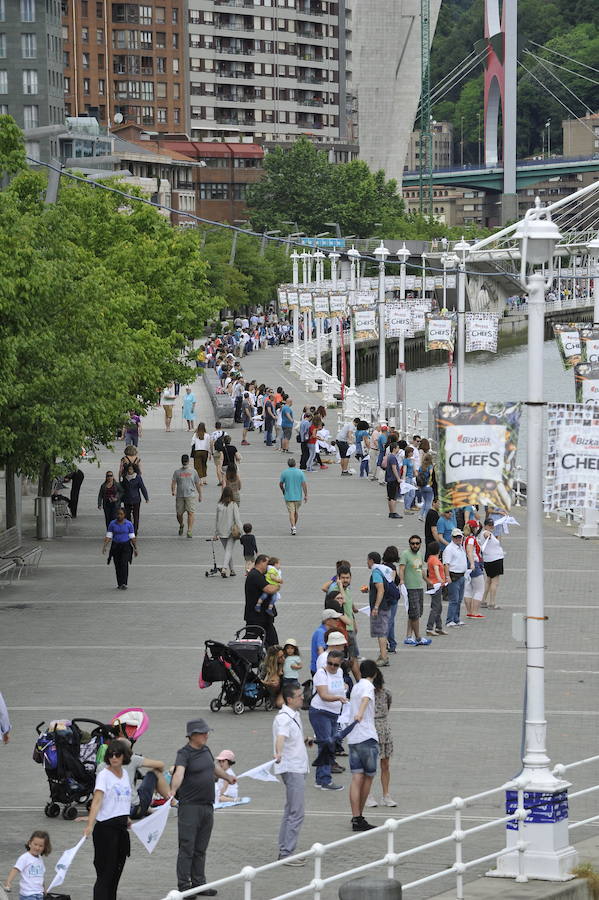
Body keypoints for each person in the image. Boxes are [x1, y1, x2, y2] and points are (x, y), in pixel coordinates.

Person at [170, 719, 236, 896]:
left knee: (200, 848)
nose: (207, 735)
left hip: (207, 806)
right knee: (187, 847)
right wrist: (172, 791)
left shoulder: (206, 750)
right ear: (193, 736)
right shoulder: (184, 753)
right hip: (190, 807)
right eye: (203, 733)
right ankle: (184, 886)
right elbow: (179, 773)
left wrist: (228, 777)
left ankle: (199, 883)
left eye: (207, 732)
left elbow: (213, 769)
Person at [84, 739, 133, 900]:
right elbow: (97, 801)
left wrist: (126, 817)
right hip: (106, 830)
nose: (114, 758)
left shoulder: (125, 774)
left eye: (117, 754)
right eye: (111, 755)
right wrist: (90, 824)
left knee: (116, 873)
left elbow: (122, 799)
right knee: (105, 873)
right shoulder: (104, 775)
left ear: (124, 756)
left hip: (121, 828)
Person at [273, 681, 310, 865]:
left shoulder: (294, 715)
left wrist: (304, 740)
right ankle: (286, 853)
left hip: (297, 766)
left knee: (290, 811)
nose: (302, 697)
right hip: (292, 768)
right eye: (299, 695)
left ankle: (285, 848)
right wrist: (278, 752)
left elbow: (289, 737)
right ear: (289, 699)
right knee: (297, 812)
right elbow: (281, 737)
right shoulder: (285, 718)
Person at [96, 739, 170, 820]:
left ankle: (149, 809)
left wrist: (93, 816)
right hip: (134, 810)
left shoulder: (101, 767)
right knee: (154, 773)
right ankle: (171, 800)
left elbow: (99, 793)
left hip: (112, 812)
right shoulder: (132, 759)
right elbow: (160, 764)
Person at [347, 659, 379, 832]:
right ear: (374, 673)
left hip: (353, 738)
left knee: (356, 777)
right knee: (368, 776)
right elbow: (366, 699)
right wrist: (360, 713)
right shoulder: (367, 686)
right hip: (367, 736)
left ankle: (355, 817)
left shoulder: (356, 687)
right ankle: (359, 816)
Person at [309, 650, 348, 791]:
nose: (332, 666)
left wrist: (344, 690)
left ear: (340, 663)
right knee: (326, 744)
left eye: (335, 664)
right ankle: (325, 780)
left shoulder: (339, 672)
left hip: (334, 713)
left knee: (327, 745)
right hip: (320, 712)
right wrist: (339, 698)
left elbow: (338, 688)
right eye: (329, 663)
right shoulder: (321, 673)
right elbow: (324, 695)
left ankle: (320, 779)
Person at [365, 667, 396, 810]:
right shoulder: (366, 693)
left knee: (385, 764)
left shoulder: (386, 693)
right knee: (370, 765)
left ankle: (386, 794)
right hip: (371, 729)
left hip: (384, 729)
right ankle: (368, 795)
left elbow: (387, 708)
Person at [399, 535, 431, 646]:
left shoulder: (419, 555)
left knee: (414, 613)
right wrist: (402, 581)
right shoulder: (405, 554)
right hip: (410, 588)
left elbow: (420, 569)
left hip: (419, 587)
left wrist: (427, 581)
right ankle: (418, 637)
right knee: (415, 614)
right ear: (409, 544)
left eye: (417, 543)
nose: (415, 545)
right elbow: (401, 568)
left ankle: (409, 636)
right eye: (412, 543)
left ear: (420, 544)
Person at [244, 554, 280, 646]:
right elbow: (269, 589)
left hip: (263, 617)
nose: (269, 567)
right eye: (267, 563)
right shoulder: (255, 575)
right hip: (256, 618)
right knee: (248, 642)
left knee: (272, 643)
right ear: (261, 562)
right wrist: (277, 586)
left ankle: (272, 659)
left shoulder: (259, 575)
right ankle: (235, 656)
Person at [4, 830, 51, 898]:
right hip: (27, 895)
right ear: (30, 843)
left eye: (41, 846)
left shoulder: (40, 859)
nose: (37, 848)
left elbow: (41, 877)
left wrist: (44, 889)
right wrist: (8, 882)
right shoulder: (25, 858)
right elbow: (15, 869)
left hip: (39, 894)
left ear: (44, 847)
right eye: (35, 844)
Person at [102, 507, 137, 590]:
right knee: (117, 565)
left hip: (126, 547)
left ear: (124, 515)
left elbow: (132, 537)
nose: (119, 516)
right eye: (118, 514)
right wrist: (105, 546)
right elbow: (109, 536)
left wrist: (135, 548)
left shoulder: (129, 524)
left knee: (124, 563)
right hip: (116, 547)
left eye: (121, 514)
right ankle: (119, 583)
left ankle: (124, 583)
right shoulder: (112, 524)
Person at [365, 551, 390, 666]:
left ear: (371, 561)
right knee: (382, 631)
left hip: (380, 607)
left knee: (381, 632)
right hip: (384, 606)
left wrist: (376, 607)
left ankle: (384, 657)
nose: (367, 562)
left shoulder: (376, 572)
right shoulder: (382, 570)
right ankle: (383, 654)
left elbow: (381, 589)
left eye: (367, 560)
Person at [443, 528, 469, 627]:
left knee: (459, 599)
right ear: (452, 538)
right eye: (456, 537)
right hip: (454, 576)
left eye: (459, 537)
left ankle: (456, 619)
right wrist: (447, 576)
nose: (458, 539)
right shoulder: (449, 549)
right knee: (454, 599)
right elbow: (446, 564)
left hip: (462, 576)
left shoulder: (460, 547)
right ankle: (450, 620)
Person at [213, 486, 242, 578]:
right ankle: (224, 568)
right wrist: (241, 531)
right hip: (231, 532)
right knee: (228, 551)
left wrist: (216, 533)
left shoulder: (219, 505)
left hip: (221, 531)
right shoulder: (234, 505)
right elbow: (237, 520)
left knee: (227, 551)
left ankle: (232, 570)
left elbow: (216, 520)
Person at [172, 454, 202, 539]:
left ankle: (189, 530)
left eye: (186, 461)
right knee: (179, 514)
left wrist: (200, 494)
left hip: (190, 495)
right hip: (180, 496)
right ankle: (181, 525)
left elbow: (197, 483)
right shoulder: (177, 472)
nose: (185, 463)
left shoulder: (193, 471)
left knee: (190, 513)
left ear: (188, 461)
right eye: (183, 461)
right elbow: (173, 481)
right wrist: (173, 490)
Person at [480, 517, 505, 609]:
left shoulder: (491, 534)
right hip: (495, 560)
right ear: (485, 526)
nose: (491, 527)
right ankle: (492, 603)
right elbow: (486, 535)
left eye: (492, 525)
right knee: (495, 582)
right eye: (489, 525)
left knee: (488, 581)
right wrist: (488, 535)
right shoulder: (486, 533)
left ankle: (483, 600)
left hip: (489, 560)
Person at [279, 457, 308, 535]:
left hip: (288, 496)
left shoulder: (284, 472)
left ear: (288, 464)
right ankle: (294, 526)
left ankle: (293, 526)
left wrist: (283, 490)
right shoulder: (300, 472)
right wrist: (306, 495)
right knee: (296, 512)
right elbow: (304, 484)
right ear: (295, 464)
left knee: (291, 512)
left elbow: (281, 484)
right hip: (298, 496)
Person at [310, 610, 344, 675]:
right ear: (327, 621)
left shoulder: (324, 631)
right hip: (320, 668)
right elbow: (320, 650)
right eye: (335, 619)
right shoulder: (321, 632)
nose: (338, 621)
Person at [463, 520, 486, 619]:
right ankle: (475, 612)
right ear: (474, 528)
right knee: (479, 589)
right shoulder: (471, 539)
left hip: (467, 564)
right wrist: (472, 563)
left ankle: (469, 611)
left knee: (468, 589)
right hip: (474, 563)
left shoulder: (465, 538)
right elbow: (469, 551)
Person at [425, 541, 447, 636]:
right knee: (435, 607)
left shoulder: (430, 558)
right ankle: (429, 628)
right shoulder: (434, 560)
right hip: (436, 585)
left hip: (434, 585)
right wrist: (441, 580)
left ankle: (438, 627)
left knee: (438, 606)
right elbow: (436, 570)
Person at [120, 463, 149, 534]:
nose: (130, 471)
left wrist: (146, 497)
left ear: (134, 470)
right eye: (129, 469)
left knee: (136, 516)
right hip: (127, 499)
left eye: (131, 469)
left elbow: (142, 487)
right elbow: (121, 489)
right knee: (127, 515)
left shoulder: (138, 477)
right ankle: (129, 528)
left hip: (136, 499)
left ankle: (135, 530)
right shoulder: (124, 477)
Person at [384, 442, 403, 520]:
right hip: (393, 479)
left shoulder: (390, 456)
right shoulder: (392, 457)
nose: (398, 449)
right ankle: (393, 512)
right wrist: (398, 478)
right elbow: (394, 468)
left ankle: (391, 512)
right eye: (398, 448)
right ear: (394, 448)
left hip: (389, 479)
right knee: (393, 497)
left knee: (390, 497)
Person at [417, 452, 435, 521]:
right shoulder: (430, 466)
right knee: (428, 502)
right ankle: (426, 516)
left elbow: (418, 476)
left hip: (422, 486)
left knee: (425, 502)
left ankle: (420, 515)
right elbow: (431, 475)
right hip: (428, 486)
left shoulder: (421, 467)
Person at [400, 446, 417, 514]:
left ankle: (407, 508)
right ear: (408, 453)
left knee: (412, 494)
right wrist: (403, 480)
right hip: (407, 478)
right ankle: (407, 508)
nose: (412, 453)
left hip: (411, 478)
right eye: (411, 452)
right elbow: (404, 470)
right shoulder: (405, 460)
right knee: (408, 494)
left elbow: (414, 470)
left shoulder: (411, 460)